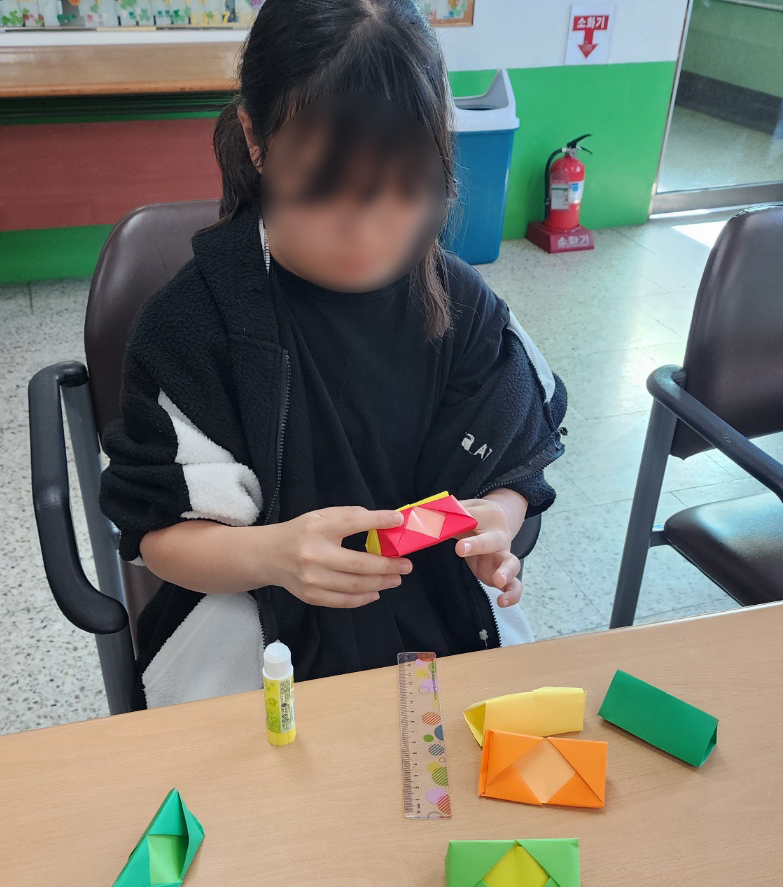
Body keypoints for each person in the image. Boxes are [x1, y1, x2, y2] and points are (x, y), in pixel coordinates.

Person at [100, 0, 567, 709]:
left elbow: (514, 464)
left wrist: (496, 520)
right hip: (254, 622)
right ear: (256, 140)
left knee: (478, 765)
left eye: (404, 185)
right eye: (324, 186)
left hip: (438, 615)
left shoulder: (463, 305)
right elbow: (159, 533)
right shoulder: (194, 326)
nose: (369, 230)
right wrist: (271, 555)